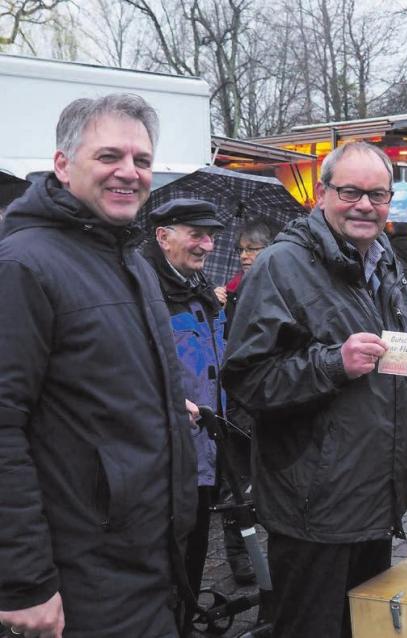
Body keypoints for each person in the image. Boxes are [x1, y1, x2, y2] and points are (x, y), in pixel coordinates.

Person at [0, 94, 197, 638]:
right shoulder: (24, 266)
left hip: (147, 561)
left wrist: (157, 401)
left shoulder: (130, 261)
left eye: (142, 161)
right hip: (82, 575)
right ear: (62, 165)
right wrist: (24, 582)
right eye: (109, 156)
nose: (129, 173)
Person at [222, 141, 407, 638]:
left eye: (378, 195)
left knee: (366, 628)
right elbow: (247, 379)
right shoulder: (280, 266)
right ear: (321, 192)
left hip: (377, 497)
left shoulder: (386, 261)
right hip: (315, 507)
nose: (365, 205)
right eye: (351, 192)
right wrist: (333, 364)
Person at [142, 198, 226, 630]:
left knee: (193, 554)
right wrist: (170, 405)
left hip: (204, 453)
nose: (207, 244)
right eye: (197, 234)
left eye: (211, 235)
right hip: (164, 459)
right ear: (163, 235)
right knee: (163, 563)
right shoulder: (142, 290)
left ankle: (186, 619)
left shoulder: (198, 286)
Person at [218, 217, 274, 586]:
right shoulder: (231, 292)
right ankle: (239, 556)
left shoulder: (273, 286)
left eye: (251, 248)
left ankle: (263, 554)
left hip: (264, 401)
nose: (244, 256)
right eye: (240, 249)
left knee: (263, 483)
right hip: (234, 402)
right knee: (235, 485)